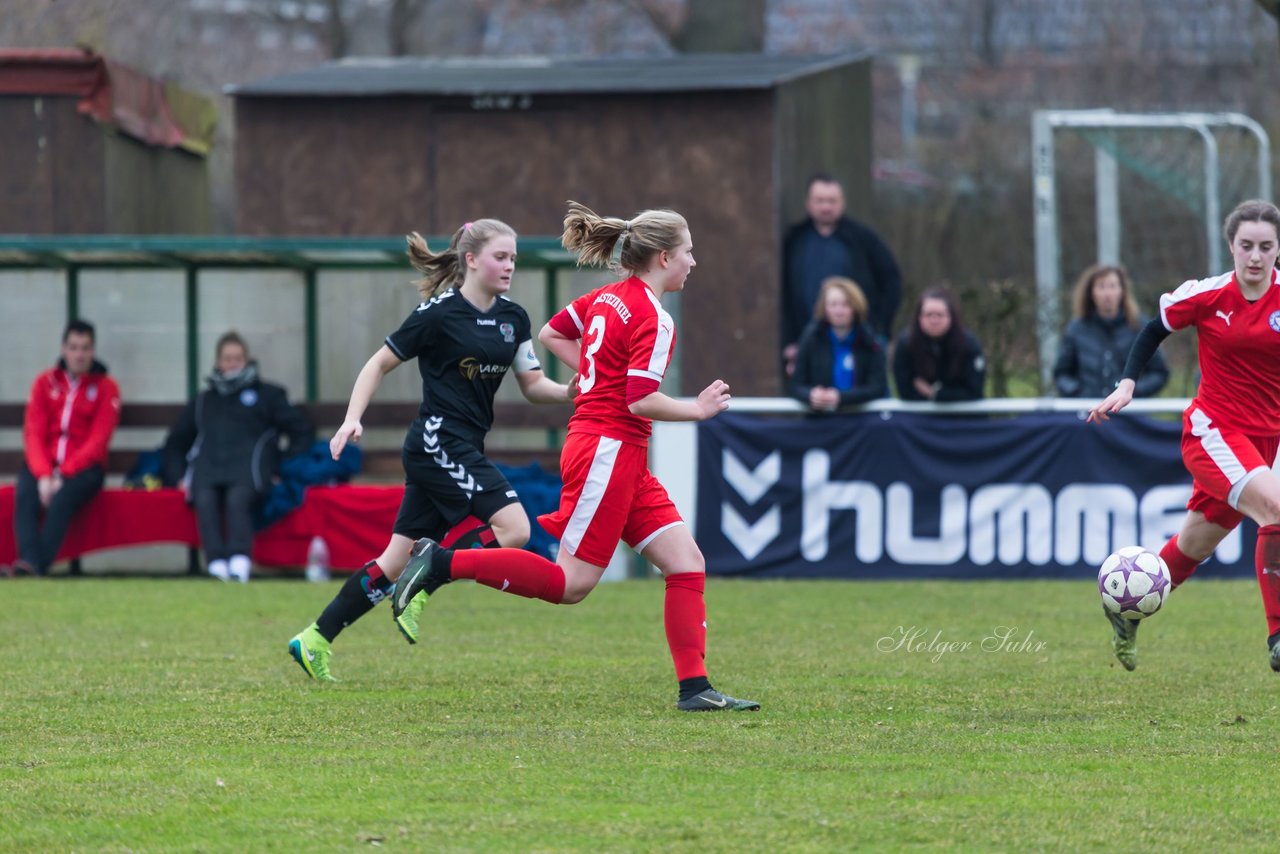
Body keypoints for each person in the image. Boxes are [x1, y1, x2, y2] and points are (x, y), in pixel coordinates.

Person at [392, 201, 760, 713]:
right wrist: (696, 410)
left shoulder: (608, 297)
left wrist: (591, 375)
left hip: (616, 452)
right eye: (688, 252)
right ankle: (443, 563)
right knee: (571, 585)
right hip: (608, 448)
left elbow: (552, 334)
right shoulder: (655, 316)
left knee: (685, 562)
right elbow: (639, 399)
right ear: (660, 257)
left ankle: (695, 688)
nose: (692, 262)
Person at [287, 219, 575, 681]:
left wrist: (567, 393)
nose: (510, 266)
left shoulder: (514, 318)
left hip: (456, 447)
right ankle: (432, 574)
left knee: (393, 561)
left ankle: (315, 638)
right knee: (515, 529)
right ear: (471, 259)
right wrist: (351, 418)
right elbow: (378, 363)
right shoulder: (438, 314)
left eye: (514, 258)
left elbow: (533, 384)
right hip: (438, 442)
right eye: (501, 257)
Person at [1088, 199, 1280, 673]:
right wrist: (1128, 382)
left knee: (1192, 546)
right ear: (1231, 247)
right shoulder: (1208, 295)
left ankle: (1125, 609)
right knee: (1275, 509)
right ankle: (1278, 635)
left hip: (1265, 441)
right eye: (1246, 246)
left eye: (1266, 247)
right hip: (1214, 431)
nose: (1255, 256)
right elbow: (1154, 329)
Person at [163, 332, 314, 583]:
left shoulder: (268, 395)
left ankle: (240, 561)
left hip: (249, 470)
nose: (232, 363)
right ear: (218, 362)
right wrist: (177, 476)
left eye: (238, 358)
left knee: (237, 499)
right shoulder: (204, 400)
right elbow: (176, 442)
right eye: (227, 358)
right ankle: (216, 564)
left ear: (247, 360)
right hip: (209, 468)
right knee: (204, 497)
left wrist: (280, 464)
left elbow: (301, 431)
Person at [10, 319, 121, 577]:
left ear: (93, 351)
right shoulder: (44, 383)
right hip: (45, 465)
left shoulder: (106, 388)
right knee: (25, 493)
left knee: (61, 501)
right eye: (73, 347)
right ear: (63, 349)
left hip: (85, 469)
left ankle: (36, 565)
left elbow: (98, 441)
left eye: (85, 348)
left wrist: (64, 474)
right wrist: (45, 474)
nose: (79, 354)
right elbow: (33, 433)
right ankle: (29, 561)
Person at [781, 173, 902, 374]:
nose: (826, 207)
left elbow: (891, 282)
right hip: (808, 341)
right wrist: (790, 340)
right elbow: (784, 294)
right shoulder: (794, 240)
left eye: (832, 201)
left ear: (842, 202)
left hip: (857, 340)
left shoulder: (863, 239)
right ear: (808, 203)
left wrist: (878, 328)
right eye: (820, 200)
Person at [1053, 264, 1169, 399]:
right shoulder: (1077, 328)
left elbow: (1158, 372)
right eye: (1101, 287)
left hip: (1128, 412)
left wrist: (1131, 390)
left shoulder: (1139, 326)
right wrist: (1078, 392)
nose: (1107, 293)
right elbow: (1062, 374)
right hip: (1087, 411)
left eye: (1112, 286)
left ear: (1122, 291)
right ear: (1091, 292)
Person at [788, 276, 887, 411]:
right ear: (824, 307)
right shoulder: (811, 338)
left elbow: (878, 387)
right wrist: (811, 395)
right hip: (820, 421)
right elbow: (796, 385)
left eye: (845, 304)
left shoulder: (870, 342)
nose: (839, 311)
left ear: (856, 307)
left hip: (860, 422)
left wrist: (841, 397)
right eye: (833, 304)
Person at [891, 286, 986, 402]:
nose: (934, 320)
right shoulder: (906, 344)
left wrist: (934, 393)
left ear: (951, 317)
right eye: (928, 315)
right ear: (919, 317)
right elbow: (905, 391)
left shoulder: (968, 344)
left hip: (963, 416)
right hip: (918, 416)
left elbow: (974, 392)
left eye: (940, 315)